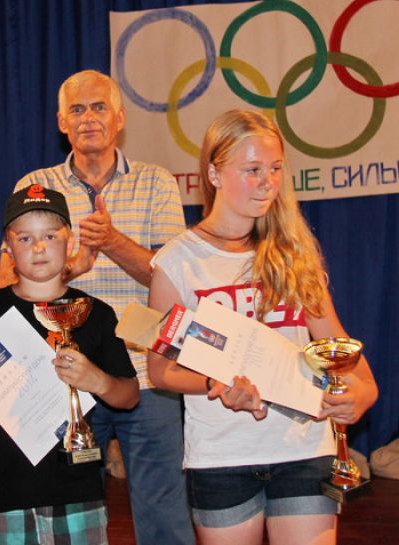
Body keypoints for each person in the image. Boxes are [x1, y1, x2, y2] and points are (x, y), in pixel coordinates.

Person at [148, 109, 379, 545]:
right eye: (252, 170)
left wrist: (364, 393)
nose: (267, 182)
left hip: (303, 447)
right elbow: (161, 371)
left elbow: (337, 346)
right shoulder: (178, 261)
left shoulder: (294, 253)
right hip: (221, 455)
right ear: (214, 173)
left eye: (275, 169)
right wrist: (216, 384)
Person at [0, 69, 193, 545]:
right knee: (67, 516)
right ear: (61, 122)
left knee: (165, 515)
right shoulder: (36, 185)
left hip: (147, 373)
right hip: (64, 376)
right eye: (78, 110)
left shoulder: (156, 183)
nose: (89, 118)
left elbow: (179, 283)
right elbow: (6, 283)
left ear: (120, 118)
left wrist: (113, 243)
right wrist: (72, 267)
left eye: (99, 107)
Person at [0, 186, 139, 544]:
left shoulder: (95, 314)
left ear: (70, 241)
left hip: (76, 489)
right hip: (0, 489)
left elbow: (129, 396)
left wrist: (96, 380)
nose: (38, 247)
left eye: (50, 235)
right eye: (25, 238)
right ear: (7, 247)